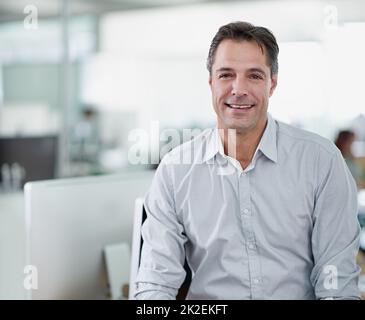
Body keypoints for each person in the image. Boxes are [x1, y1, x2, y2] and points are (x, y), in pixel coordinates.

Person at [134, 21, 361, 299]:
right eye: (226, 74)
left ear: (272, 84)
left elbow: (336, 281)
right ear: (211, 83)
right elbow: (155, 285)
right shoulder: (175, 171)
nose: (238, 89)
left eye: (254, 75)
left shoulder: (321, 162)